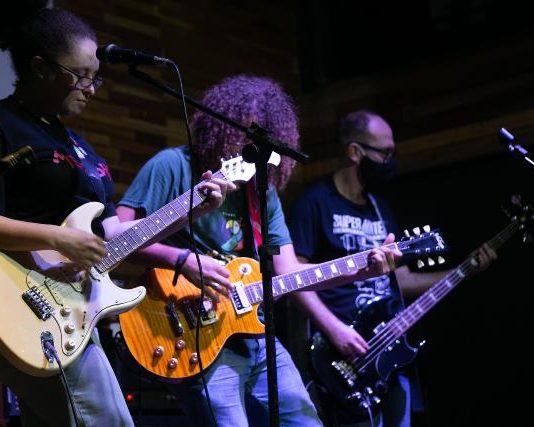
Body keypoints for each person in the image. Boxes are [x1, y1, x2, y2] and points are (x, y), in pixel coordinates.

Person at [116, 76, 402, 426]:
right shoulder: (172, 165)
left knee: (306, 420)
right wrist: (182, 260)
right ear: (221, 127)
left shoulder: (261, 191)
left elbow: (288, 272)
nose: (250, 148)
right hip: (192, 331)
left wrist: (360, 270)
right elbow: (117, 240)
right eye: (244, 136)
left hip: (254, 329)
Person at [0, 5, 231, 426]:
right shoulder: (5, 126)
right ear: (40, 68)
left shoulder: (81, 148)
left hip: (70, 310)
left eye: (96, 77)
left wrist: (189, 209)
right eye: (80, 75)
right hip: (22, 302)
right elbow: (63, 237)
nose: (91, 89)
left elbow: (114, 237)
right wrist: (56, 237)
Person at [288, 110, 497, 427]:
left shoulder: (380, 209)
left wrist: (464, 270)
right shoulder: (314, 203)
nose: (390, 161)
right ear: (355, 152)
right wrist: (334, 330)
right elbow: (295, 278)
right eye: (385, 153)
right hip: (337, 354)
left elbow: (401, 280)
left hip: (387, 348)